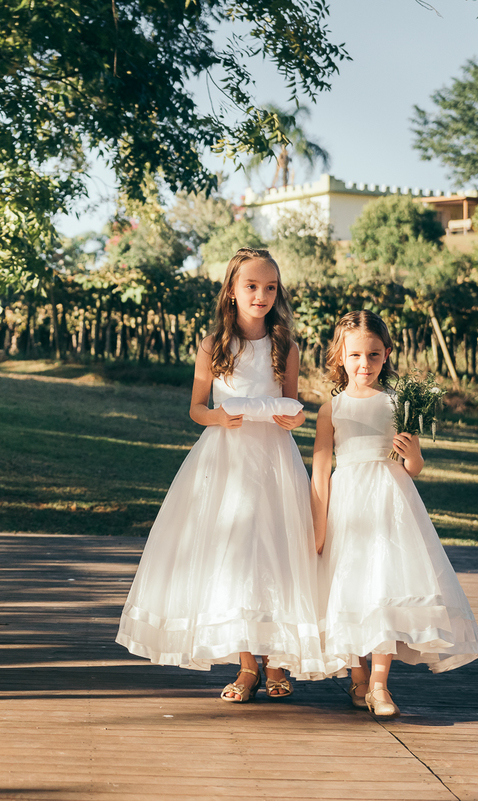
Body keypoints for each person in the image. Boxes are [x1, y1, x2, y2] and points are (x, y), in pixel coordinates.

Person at [116, 248, 327, 702]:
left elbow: (290, 405)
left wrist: (294, 419)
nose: (262, 295)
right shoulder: (213, 345)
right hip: (227, 459)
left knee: (275, 552)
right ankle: (247, 665)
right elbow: (196, 408)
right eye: (251, 286)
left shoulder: (285, 346)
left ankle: (276, 661)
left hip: (274, 460)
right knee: (237, 556)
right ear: (231, 290)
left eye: (270, 287)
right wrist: (217, 419)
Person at [311, 310, 478, 719]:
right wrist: (318, 528)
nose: (364, 364)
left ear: (386, 354)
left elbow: (411, 466)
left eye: (373, 355)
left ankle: (378, 684)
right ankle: (357, 677)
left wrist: (413, 455)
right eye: (355, 355)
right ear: (340, 356)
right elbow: (320, 471)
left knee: (384, 588)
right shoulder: (329, 411)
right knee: (349, 587)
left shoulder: (398, 404)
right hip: (347, 505)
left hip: (391, 503)